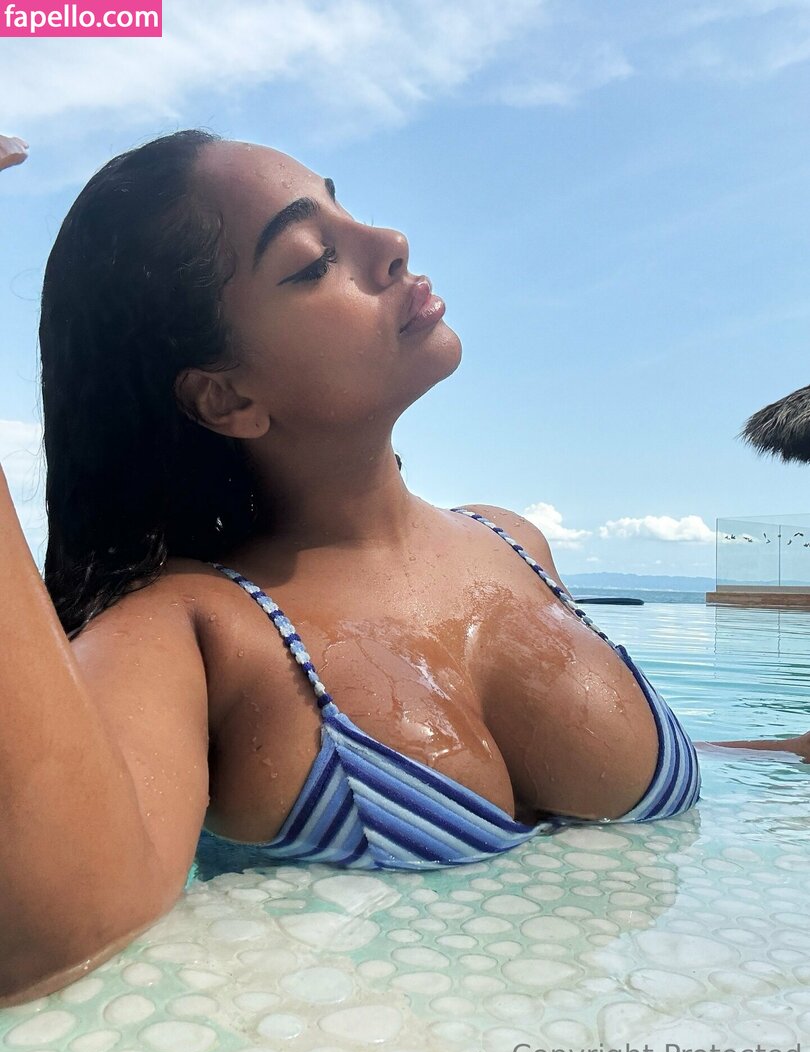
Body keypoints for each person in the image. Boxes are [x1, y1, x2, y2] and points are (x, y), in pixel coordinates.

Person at [0, 130, 806, 1006]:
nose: (390, 244)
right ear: (226, 397)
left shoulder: (516, 543)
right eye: (313, 261)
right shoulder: (189, 629)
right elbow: (62, 935)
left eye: (346, 206)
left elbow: (583, 821)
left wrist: (780, 753)